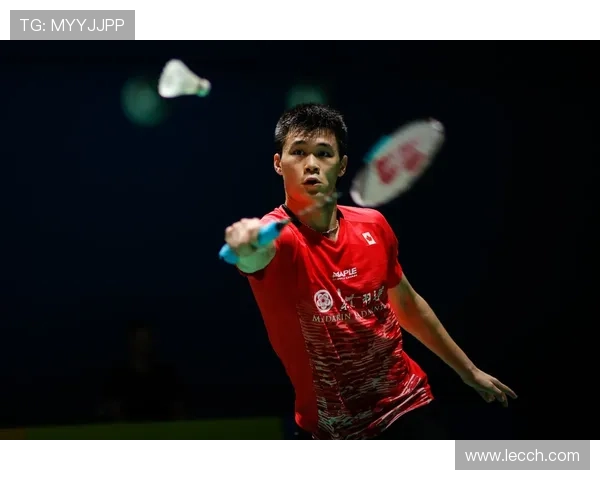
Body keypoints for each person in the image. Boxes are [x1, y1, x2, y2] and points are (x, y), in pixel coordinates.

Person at [224, 103, 516, 440]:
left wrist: (468, 371)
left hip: (406, 406)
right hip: (331, 429)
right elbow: (253, 259)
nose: (311, 164)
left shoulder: (373, 225)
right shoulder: (279, 237)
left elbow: (406, 304)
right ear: (278, 163)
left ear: (342, 165)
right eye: (299, 152)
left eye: (324, 153)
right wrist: (244, 247)